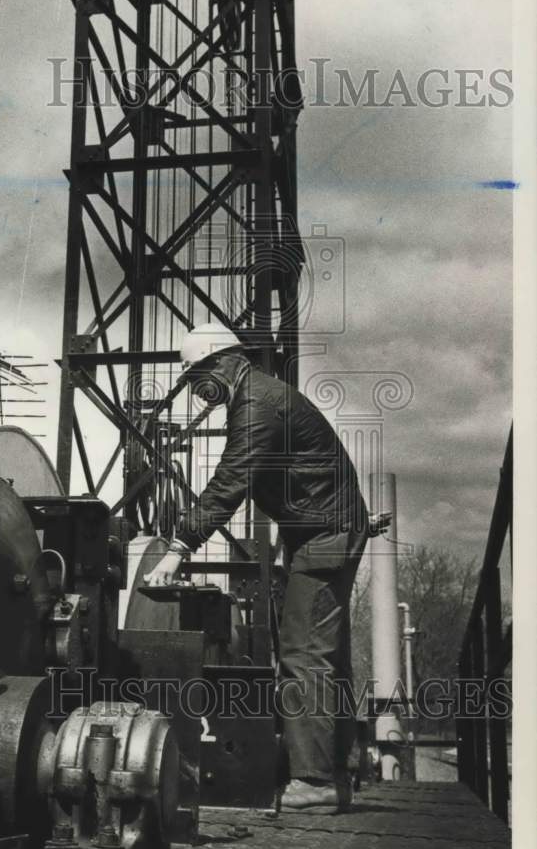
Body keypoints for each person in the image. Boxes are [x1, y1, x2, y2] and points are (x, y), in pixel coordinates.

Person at [144, 323, 389, 814]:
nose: (196, 389)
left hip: (324, 534)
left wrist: (178, 547)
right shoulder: (260, 396)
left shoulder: (256, 404)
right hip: (324, 528)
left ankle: (316, 781)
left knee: (303, 655)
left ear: (224, 362)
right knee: (324, 657)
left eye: (197, 376)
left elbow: (231, 481)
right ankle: (333, 774)